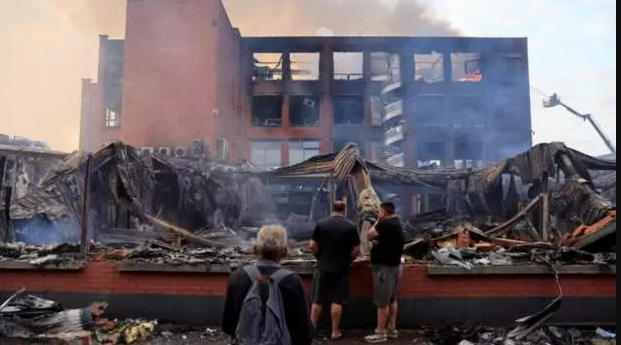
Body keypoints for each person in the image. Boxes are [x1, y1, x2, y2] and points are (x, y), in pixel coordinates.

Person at [222, 224, 313, 345]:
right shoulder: (292, 281)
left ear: (255, 249)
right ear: (284, 251)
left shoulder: (236, 278)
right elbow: (304, 330)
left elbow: (227, 325)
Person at [309, 200, 361, 340]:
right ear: (344, 209)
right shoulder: (351, 226)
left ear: (332, 208)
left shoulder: (321, 224)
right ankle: (335, 331)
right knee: (337, 300)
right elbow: (357, 250)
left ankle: (311, 330)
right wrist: (348, 260)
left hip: (323, 267)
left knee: (317, 300)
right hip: (341, 268)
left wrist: (319, 257)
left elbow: (312, 245)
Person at [364, 202, 405, 343]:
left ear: (383, 211)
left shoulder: (385, 223)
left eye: (379, 211)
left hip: (384, 269)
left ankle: (380, 332)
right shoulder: (396, 222)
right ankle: (392, 329)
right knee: (392, 299)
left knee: (382, 302)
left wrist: (377, 221)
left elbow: (369, 235)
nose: (378, 214)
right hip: (395, 266)